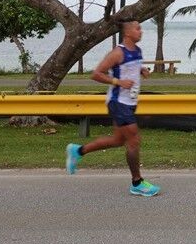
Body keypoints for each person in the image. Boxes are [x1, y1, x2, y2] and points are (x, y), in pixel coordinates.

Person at [65, 20, 160, 197]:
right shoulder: (117, 52)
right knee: (133, 141)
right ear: (128, 33)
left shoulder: (136, 51)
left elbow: (131, 66)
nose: (141, 31)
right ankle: (137, 182)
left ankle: (78, 151)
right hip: (118, 103)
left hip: (130, 102)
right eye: (137, 28)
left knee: (118, 140)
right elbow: (96, 74)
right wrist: (118, 82)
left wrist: (142, 69)